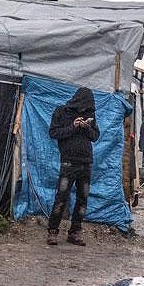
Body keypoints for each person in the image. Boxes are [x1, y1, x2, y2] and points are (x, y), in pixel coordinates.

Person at [47, 87, 100, 246]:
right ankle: (53, 231)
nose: (87, 108)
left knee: (82, 200)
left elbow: (95, 137)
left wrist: (87, 127)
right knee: (61, 198)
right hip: (68, 162)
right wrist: (73, 126)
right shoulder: (61, 112)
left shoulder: (90, 116)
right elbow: (54, 133)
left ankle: (75, 232)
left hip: (85, 163)